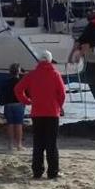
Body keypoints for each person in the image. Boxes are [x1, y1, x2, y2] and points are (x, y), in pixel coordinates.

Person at [15, 51, 66, 179]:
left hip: (37, 113)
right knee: (51, 144)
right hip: (52, 113)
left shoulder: (32, 75)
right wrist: (59, 106)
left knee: (38, 143)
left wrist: (26, 101)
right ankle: (52, 172)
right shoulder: (55, 74)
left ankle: (37, 171)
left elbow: (17, 89)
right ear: (50, 60)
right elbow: (62, 94)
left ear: (38, 61)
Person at [0, 63, 26, 151]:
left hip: (8, 105)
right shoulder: (21, 81)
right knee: (18, 124)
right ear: (18, 71)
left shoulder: (5, 82)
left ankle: (10, 145)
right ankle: (19, 145)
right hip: (18, 104)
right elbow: (26, 93)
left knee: (10, 124)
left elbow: (1, 94)